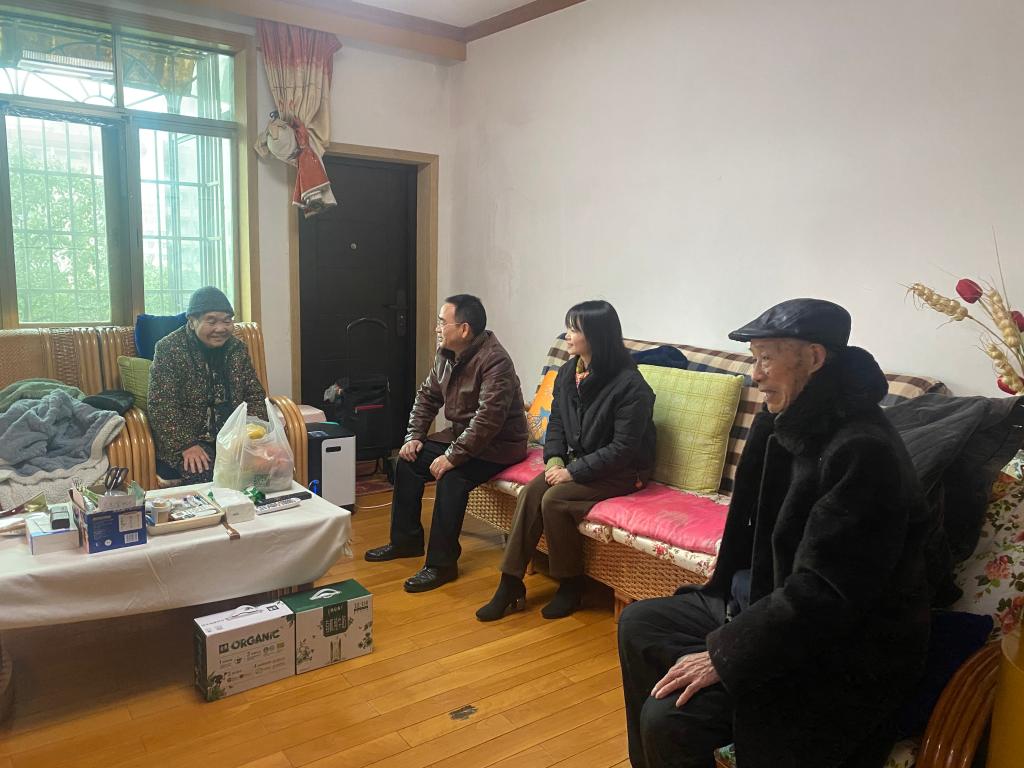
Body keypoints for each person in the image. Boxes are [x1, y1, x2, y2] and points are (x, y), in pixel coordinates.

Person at [617, 298, 930, 768]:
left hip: (839, 642)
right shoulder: (788, 421)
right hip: (767, 599)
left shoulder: (863, 451)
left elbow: (828, 593)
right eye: (754, 359)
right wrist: (728, 639)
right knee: (641, 622)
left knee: (669, 719)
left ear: (814, 358)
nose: (755, 375)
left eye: (765, 359)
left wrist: (727, 656)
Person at [476, 300, 656, 621]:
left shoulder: (631, 386)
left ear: (597, 335)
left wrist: (572, 473)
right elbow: (557, 422)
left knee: (555, 500)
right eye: (568, 327)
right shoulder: (568, 373)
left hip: (623, 470)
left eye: (575, 329)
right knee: (532, 492)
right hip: (580, 461)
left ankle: (571, 585)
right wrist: (555, 460)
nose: (567, 335)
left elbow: (623, 449)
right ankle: (510, 583)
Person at [364, 294, 529, 593]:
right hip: (464, 437)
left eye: (442, 322)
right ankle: (406, 541)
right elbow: (427, 396)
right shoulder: (446, 354)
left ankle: (441, 565)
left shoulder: (496, 361)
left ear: (464, 329)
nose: (437, 328)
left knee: (453, 477)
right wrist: (414, 436)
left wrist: (453, 456)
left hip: (499, 445)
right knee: (407, 462)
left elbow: (488, 421)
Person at [148, 286, 267, 483]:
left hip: (235, 438)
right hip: (190, 442)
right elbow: (161, 404)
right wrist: (186, 444)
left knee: (272, 467)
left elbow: (254, 395)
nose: (220, 328)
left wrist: (252, 435)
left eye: (227, 321)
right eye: (211, 321)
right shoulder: (169, 349)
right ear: (192, 321)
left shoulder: (237, 349)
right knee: (206, 474)